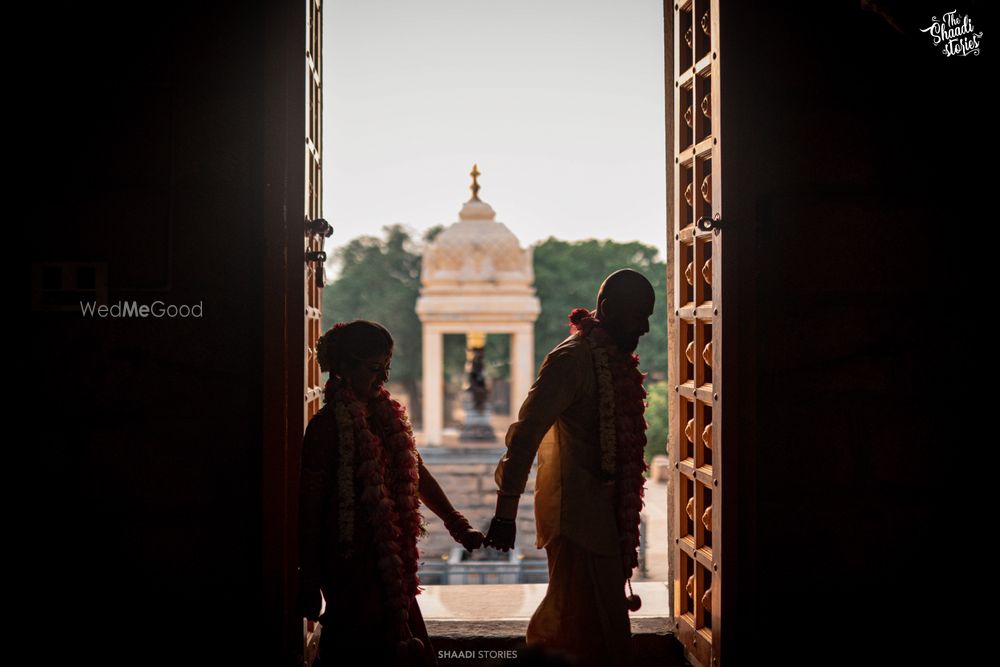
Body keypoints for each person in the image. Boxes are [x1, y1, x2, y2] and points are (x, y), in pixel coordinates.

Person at [484, 269, 655, 667]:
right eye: (638, 315)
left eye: (648, 315)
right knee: (577, 630)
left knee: (600, 630)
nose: (645, 328)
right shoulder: (572, 359)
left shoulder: (613, 361)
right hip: (576, 519)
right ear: (608, 310)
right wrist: (505, 512)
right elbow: (526, 435)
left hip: (608, 518)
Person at [297, 320, 485, 666]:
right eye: (373, 369)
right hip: (349, 565)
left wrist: (456, 523)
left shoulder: (388, 418)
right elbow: (309, 510)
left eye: (386, 367)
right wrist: (308, 580)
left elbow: (417, 472)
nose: (383, 378)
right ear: (344, 368)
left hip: (393, 564)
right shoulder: (325, 428)